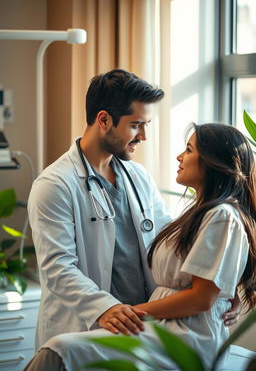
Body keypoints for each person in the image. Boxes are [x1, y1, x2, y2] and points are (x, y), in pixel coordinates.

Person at [24, 121, 253, 371]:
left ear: (212, 161)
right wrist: (108, 310)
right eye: (136, 124)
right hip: (154, 320)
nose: (143, 135)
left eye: (188, 149)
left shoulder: (219, 214)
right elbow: (58, 267)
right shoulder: (55, 183)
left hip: (182, 329)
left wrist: (220, 291)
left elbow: (201, 295)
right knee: (58, 350)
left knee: (60, 351)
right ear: (104, 120)